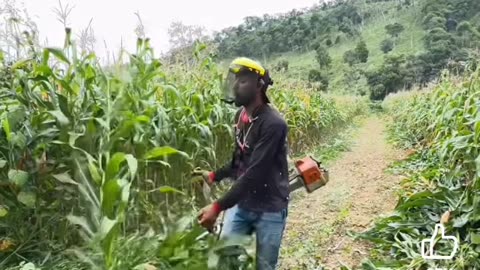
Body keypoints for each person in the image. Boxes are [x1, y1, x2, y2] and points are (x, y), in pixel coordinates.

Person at [197, 57, 290, 270]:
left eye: (243, 81)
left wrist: (218, 206)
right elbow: (238, 163)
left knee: (265, 266)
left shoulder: (274, 124)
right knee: (224, 258)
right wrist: (214, 176)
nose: (235, 86)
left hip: (271, 208)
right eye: (235, 80)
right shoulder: (242, 116)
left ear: (259, 85)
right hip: (244, 203)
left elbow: (254, 173)